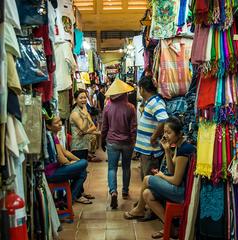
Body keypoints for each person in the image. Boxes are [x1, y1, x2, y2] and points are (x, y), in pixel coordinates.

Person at [123, 117, 196, 239]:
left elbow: (176, 180)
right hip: (178, 188)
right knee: (147, 194)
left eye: (169, 132)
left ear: (179, 133)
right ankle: (170, 228)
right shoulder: (178, 145)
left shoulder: (185, 149)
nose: (165, 135)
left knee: (147, 179)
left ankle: (139, 210)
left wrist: (162, 176)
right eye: (164, 132)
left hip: (182, 193)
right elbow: (172, 170)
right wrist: (167, 150)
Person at [101, 79, 137, 209]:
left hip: (112, 142)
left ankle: (113, 191)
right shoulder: (131, 107)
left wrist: (102, 141)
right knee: (126, 167)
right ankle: (125, 191)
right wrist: (133, 142)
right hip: (127, 142)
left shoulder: (107, 107)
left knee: (112, 168)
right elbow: (133, 128)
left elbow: (104, 127)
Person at [44, 112, 94, 204]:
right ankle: (69, 199)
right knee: (84, 164)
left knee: (82, 171)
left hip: (56, 170)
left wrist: (78, 162)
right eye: (56, 123)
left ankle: (68, 199)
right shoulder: (50, 137)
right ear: (49, 126)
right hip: (52, 173)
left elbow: (65, 152)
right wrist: (73, 163)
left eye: (60, 121)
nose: (60, 124)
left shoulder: (53, 136)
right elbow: (61, 158)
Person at [134, 76, 169, 180]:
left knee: (149, 180)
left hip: (150, 151)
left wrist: (153, 137)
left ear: (142, 89)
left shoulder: (155, 102)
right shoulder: (151, 101)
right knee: (146, 178)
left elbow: (163, 119)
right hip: (147, 150)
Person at [70, 89, 100, 161]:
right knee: (80, 168)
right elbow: (83, 128)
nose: (83, 100)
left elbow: (93, 126)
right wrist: (86, 117)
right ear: (75, 100)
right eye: (81, 98)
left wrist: (84, 132)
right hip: (77, 147)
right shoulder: (75, 113)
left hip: (85, 145)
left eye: (85, 97)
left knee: (84, 167)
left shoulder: (84, 110)